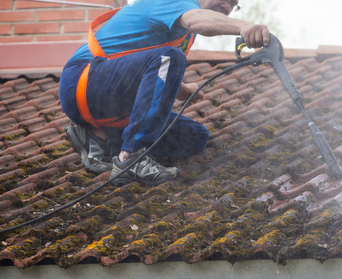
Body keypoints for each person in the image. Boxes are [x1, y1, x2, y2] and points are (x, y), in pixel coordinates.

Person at [59, 0, 269, 186]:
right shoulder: (174, 3)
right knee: (171, 57)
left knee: (194, 137)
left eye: (233, 4)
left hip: (115, 104)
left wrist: (186, 90)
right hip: (83, 83)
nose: (227, 6)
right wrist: (244, 26)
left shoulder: (185, 34)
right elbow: (194, 22)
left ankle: (97, 138)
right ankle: (131, 156)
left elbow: (152, 73)